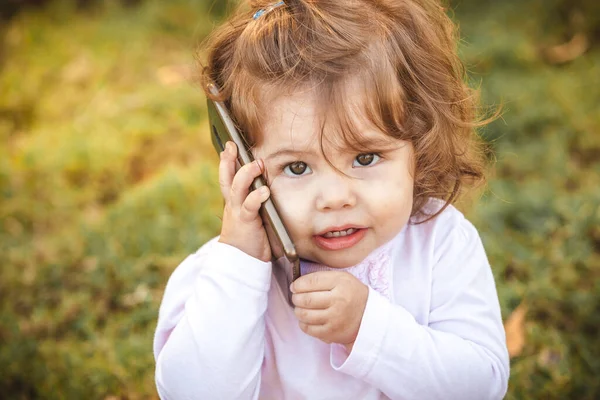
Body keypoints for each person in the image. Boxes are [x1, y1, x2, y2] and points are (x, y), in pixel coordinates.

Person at [153, 0, 510, 398]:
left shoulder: (439, 244)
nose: (336, 198)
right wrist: (239, 265)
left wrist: (368, 328)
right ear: (244, 166)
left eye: (365, 157)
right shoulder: (221, 276)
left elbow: (481, 386)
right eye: (297, 168)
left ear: (418, 147)